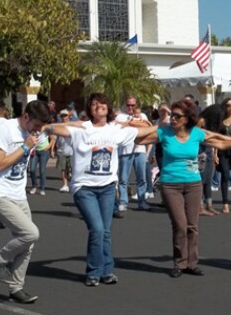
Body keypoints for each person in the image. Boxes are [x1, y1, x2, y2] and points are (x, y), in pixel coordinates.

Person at [44, 93, 157, 286]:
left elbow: (146, 131)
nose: (99, 106)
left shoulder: (116, 130)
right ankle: (94, 271)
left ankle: (107, 270)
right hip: (84, 187)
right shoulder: (82, 128)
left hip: (106, 187)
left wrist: (163, 126)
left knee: (105, 231)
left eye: (103, 103)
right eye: (95, 104)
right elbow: (59, 129)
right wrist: (47, 127)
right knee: (96, 229)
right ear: (90, 109)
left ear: (109, 108)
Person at [136, 99, 231, 278]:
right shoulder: (164, 132)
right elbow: (138, 137)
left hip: (193, 183)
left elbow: (221, 142)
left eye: (177, 116)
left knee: (192, 225)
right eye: (172, 115)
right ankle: (179, 262)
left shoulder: (196, 133)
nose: (173, 119)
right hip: (170, 184)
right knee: (180, 225)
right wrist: (158, 125)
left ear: (187, 118)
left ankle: (191, 263)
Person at [0, 100, 51, 303]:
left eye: (41, 127)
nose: (38, 130)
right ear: (26, 117)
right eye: (36, 125)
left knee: (28, 243)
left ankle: (16, 288)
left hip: (18, 194)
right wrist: (24, 146)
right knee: (31, 233)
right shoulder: (5, 129)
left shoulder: (34, 132)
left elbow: (54, 132)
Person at [114, 95, 151, 216]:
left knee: (141, 177)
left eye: (133, 105)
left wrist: (128, 124)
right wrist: (134, 123)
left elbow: (147, 127)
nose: (130, 107)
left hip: (139, 149)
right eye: (128, 105)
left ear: (136, 105)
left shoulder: (143, 116)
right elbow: (118, 128)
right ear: (125, 105)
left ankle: (142, 200)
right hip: (125, 150)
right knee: (123, 178)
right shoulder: (120, 116)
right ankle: (123, 201)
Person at [28, 124, 54, 196]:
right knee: (32, 169)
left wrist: (49, 147)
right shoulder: (33, 128)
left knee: (42, 171)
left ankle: (42, 188)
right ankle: (34, 186)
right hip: (35, 151)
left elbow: (52, 139)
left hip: (44, 152)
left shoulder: (46, 129)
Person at [54, 110, 73, 192]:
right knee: (63, 168)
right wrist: (52, 149)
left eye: (65, 115)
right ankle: (65, 185)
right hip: (61, 150)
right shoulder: (58, 126)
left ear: (69, 116)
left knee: (71, 168)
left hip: (72, 150)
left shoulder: (73, 126)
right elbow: (54, 138)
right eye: (62, 116)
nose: (64, 117)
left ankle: (71, 181)